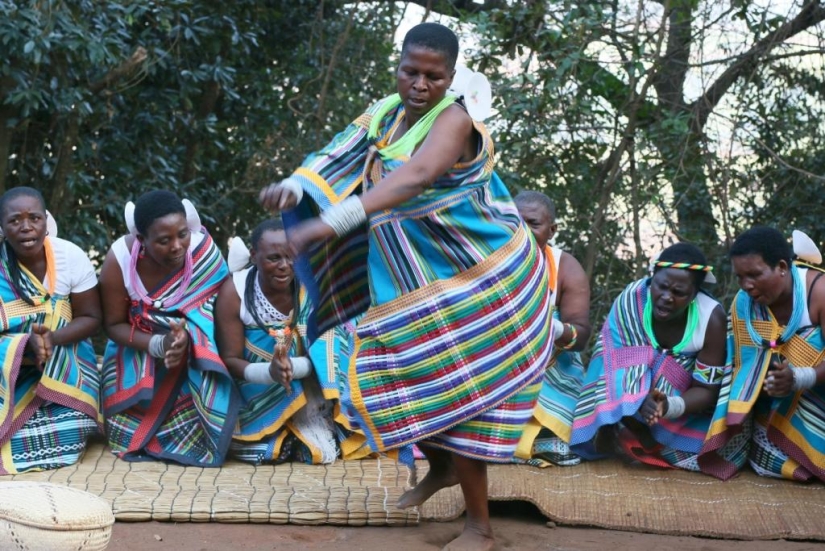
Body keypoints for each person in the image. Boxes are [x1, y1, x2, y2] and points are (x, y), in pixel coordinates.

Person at [259, 22, 553, 551]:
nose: (420, 84)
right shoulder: (384, 114)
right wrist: (295, 186)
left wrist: (329, 222)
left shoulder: (456, 121)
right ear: (398, 68)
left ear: (450, 77)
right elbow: (337, 155)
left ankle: (480, 529)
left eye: (433, 76)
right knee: (407, 372)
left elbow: (416, 177)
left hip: (481, 278)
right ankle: (439, 467)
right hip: (415, 278)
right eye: (410, 71)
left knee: (463, 393)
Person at [569, 243, 745, 472]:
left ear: (695, 294)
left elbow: (707, 389)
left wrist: (668, 406)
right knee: (609, 352)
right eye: (661, 287)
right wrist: (638, 399)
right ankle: (624, 425)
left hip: (679, 402)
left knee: (713, 452)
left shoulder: (711, 318)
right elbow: (613, 360)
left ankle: (640, 432)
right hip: (629, 390)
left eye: (679, 293)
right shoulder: (632, 300)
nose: (666, 297)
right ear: (652, 279)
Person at [99, 190, 238, 467]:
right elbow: (113, 325)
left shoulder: (203, 252)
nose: (177, 246)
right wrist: (159, 345)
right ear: (142, 239)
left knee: (209, 431)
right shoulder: (120, 259)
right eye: (164, 240)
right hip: (137, 349)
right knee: (125, 436)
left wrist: (188, 340)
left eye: (182, 234)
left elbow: (221, 314)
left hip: (194, 355)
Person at [214, 218, 368, 464]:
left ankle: (312, 426)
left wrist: (296, 367)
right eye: (274, 258)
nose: (285, 266)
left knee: (332, 331)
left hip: (313, 383)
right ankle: (277, 434)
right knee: (273, 450)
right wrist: (270, 371)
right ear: (254, 255)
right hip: (258, 388)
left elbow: (331, 343)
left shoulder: (312, 284)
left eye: (292, 256)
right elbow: (230, 360)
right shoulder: (235, 292)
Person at [700, 227, 825, 481]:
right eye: (740, 277)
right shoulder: (743, 304)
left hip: (817, 395)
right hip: (770, 404)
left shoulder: (820, 292)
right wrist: (770, 378)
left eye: (755, 275)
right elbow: (741, 365)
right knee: (764, 459)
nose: (746, 285)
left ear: (781, 267)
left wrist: (799, 378)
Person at [0, 187, 102, 474]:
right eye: (14, 221)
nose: (26, 227)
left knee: (71, 432)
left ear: (46, 221)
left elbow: (92, 317)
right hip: (10, 375)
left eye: (34, 218)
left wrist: (52, 338)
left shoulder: (70, 256)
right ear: (2, 228)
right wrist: (23, 345)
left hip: (64, 366)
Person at [513, 191, 591, 466]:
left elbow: (580, 336)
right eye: (515, 222)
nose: (522, 232)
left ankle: (543, 430)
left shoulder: (565, 267)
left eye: (532, 224)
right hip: (496, 368)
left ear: (552, 229)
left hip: (552, 370)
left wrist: (549, 327)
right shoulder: (485, 258)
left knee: (556, 442)